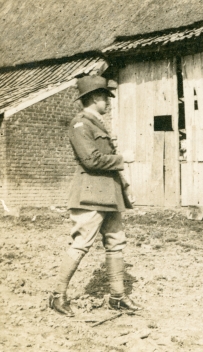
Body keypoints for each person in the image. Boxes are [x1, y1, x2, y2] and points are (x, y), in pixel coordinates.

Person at [49, 75, 141, 317]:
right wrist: (123, 159)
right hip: (90, 194)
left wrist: (125, 186)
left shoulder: (97, 124)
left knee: (116, 242)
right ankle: (57, 295)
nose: (107, 102)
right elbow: (91, 160)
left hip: (109, 194)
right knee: (81, 243)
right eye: (104, 97)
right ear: (93, 97)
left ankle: (117, 297)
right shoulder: (80, 125)